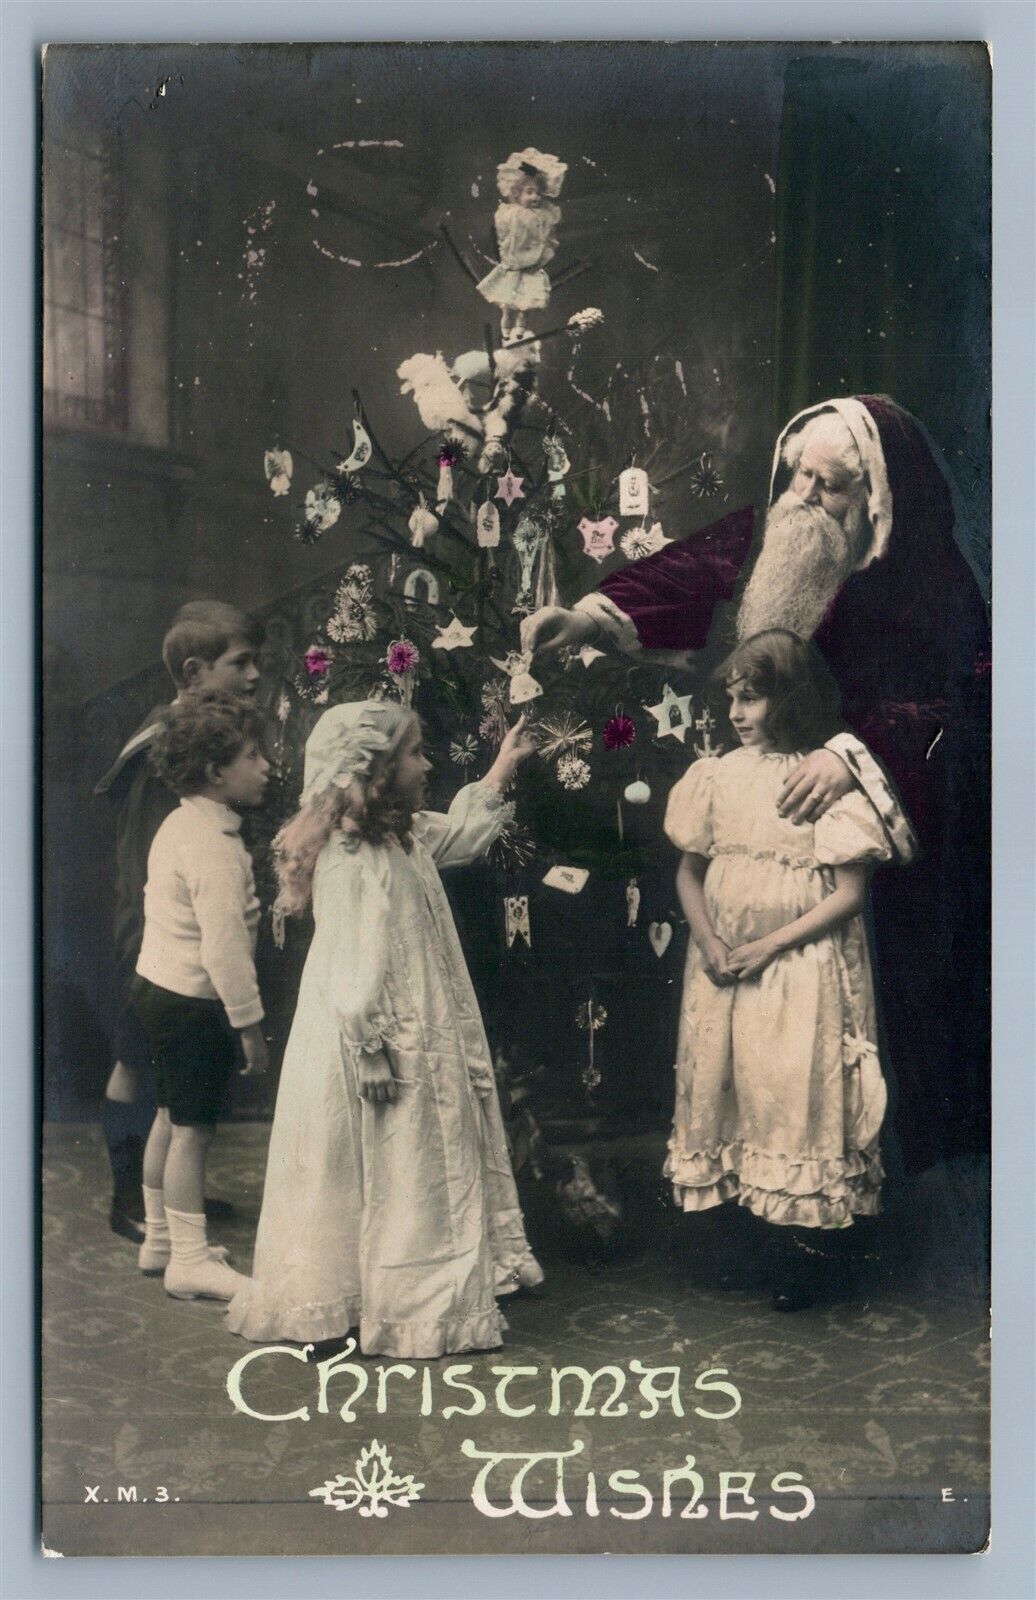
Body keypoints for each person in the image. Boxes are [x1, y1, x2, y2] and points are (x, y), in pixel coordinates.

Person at [522, 397, 990, 1173]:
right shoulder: (775, 530)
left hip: (848, 830)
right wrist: (588, 620)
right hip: (753, 824)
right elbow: (691, 571)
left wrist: (852, 755)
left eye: (830, 483)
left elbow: (964, 700)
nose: (803, 493)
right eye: (799, 472)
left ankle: (827, 1187)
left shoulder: (929, 580)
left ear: (875, 497)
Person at [227, 700, 544, 1358]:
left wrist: (504, 765)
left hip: (416, 1010)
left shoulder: (401, 834)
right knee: (373, 1156)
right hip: (371, 1029)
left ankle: (429, 1286)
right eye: (414, 755)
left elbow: (460, 835)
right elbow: (350, 960)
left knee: (416, 1151)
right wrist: (369, 1045)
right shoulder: (351, 856)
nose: (426, 765)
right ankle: (376, 1299)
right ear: (370, 773)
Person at [665, 631, 914, 1310]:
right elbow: (689, 873)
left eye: (755, 697)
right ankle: (747, 1241)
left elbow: (848, 895)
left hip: (797, 965)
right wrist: (711, 941)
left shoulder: (824, 779)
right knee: (733, 1088)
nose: (739, 712)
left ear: (793, 698)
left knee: (788, 1094)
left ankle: (805, 1252)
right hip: (722, 966)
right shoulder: (716, 776)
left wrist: (770, 945)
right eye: (733, 699)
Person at [94, 601, 264, 1240]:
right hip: (151, 936)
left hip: (174, 933)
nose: (253, 676)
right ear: (193, 673)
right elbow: (146, 861)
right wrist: (155, 944)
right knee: (136, 1063)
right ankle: (128, 1200)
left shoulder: (203, 737)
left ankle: (163, 1196)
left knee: (174, 1081)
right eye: (239, 663)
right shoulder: (163, 744)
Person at [132, 690, 270, 1301]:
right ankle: (189, 1261)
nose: (266, 766)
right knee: (194, 1130)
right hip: (194, 1002)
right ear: (217, 773)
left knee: (169, 1115)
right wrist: (248, 1025)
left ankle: (160, 1239)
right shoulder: (213, 847)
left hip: (158, 991)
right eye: (252, 755)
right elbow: (223, 950)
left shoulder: (182, 821)